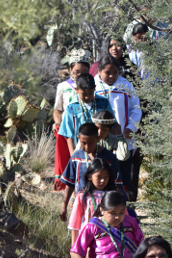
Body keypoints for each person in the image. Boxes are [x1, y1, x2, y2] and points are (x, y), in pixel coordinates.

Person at [68, 158, 116, 258]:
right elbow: (75, 223)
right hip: (86, 243)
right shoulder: (82, 197)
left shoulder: (112, 196)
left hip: (107, 244)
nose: (103, 180)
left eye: (106, 176)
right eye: (98, 176)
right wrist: (75, 247)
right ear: (89, 176)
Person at [95, 55, 142, 201]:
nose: (111, 76)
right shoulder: (94, 86)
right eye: (107, 73)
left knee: (122, 176)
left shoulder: (126, 85)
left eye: (115, 72)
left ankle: (124, 210)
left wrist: (130, 128)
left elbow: (136, 109)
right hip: (100, 141)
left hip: (123, 139)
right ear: (98, 71)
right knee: (102, 175)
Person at [59, 123, 123, 221]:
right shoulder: (76, 157)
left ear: (98, 139)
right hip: (82, 205)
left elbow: (117, 186)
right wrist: (64, 206)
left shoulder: (109, 158)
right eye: (83, 143)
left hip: (105, 207)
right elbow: (70, 183)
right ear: (78, 138)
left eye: (91, 143)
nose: (87, 146)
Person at [53, 49, 91, 191]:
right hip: (69, 129)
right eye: (76, 72)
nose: (79, 75)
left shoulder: (93, 86)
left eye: (84, 72)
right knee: (72, 159)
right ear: (70, 70)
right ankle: (74, 190)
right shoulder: (63, 87)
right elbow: (57, 110)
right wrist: (58, 122)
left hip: (87, 129)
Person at [58, 73, 114, 156]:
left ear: (94, 88)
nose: (87, 97)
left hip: (102, 148)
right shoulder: (72, 107)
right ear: (76, 90)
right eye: (83, 94)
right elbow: (69, 134)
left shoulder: (104, 103)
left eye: (90, 93)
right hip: (82, 149)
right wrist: (72, 154)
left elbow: (111, 124)